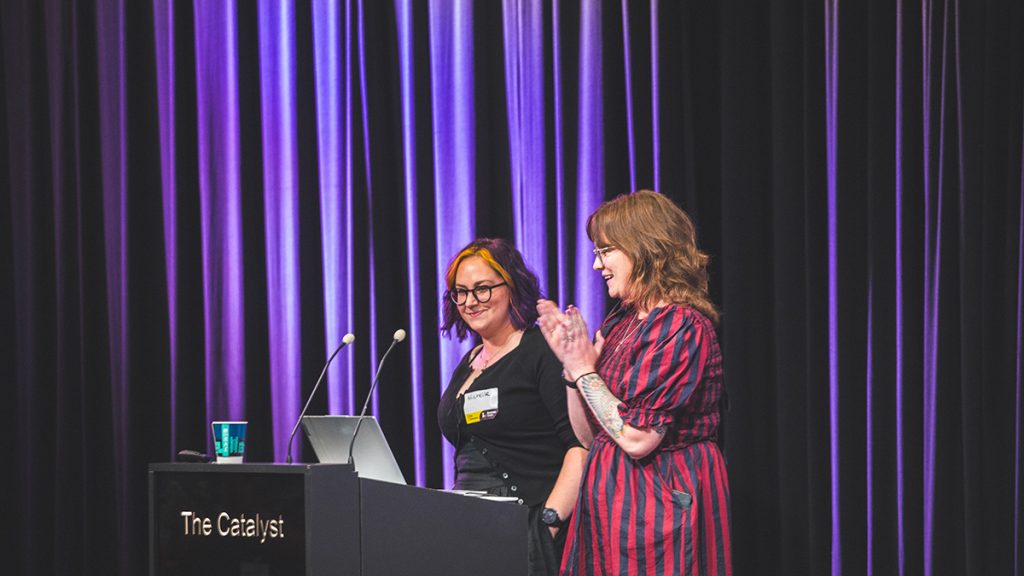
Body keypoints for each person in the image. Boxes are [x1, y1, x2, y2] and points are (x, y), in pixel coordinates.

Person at [537, 190, 732, 576]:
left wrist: (584, 370)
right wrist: (571, 370)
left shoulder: (681, 325)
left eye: (606, 251)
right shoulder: (620, 323)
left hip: (660, 505)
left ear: (644, 248)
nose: (597, 265)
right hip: (613, 500)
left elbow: (638, 437)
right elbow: (589, 437)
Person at [437, 238, 588, 576]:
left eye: (482, 289)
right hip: (472, 527)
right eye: (460, 292)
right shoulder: (470, 361)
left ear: (512, 287)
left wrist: (547, 525)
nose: (470, 302)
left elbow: (580, 447)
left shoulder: (540, 352)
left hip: (527, 531)